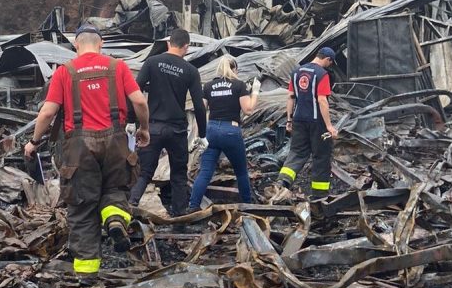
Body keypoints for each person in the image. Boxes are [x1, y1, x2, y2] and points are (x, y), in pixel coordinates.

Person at [24, 25, 150, 279]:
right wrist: (144, 128)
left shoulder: (65, 72)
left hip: (79, 149)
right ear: (101, 43)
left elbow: (48, 112)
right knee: (116, 190)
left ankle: (86, 275)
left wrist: (34, 142)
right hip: (116, 141)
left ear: (75, 44)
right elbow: (139, 101)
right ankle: (115, 219)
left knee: (82, 209)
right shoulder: (118, 67)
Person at [127, 28, 207, 216]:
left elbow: (135, 92)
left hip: (152, 128)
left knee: (144, 172)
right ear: (186, 47)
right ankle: (179, 218)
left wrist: (131, 120)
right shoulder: (191, 71)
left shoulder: (152, 62)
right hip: (177, 130)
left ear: (169, 43)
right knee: (178, 175)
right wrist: (202, 134)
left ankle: (130, 206)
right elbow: (199, 105)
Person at [189, 55, 260, 209]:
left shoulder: (208, 86)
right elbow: (248, 110)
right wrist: (255, 92)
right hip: (231, 130)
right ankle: (247, 205)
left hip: (211, 130)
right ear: (234, 69)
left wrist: (199, 135)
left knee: (205, 171)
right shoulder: (239, 85)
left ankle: (193, 206)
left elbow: (200, 110)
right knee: (241, 171)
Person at [276, 47, 338, 198]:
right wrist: (329, 126)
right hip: (317, 123)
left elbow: (291, 97)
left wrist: (289, 120)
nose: (329, 66)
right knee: (321, 156)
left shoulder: (296, 72)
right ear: (327, 59)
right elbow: (322, 100)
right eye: (330, 63)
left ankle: (281, 183)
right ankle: (319, 196)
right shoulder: (322, 74)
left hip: (298, 120)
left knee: (297, 152)